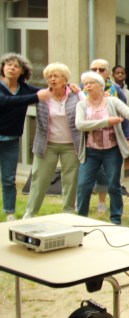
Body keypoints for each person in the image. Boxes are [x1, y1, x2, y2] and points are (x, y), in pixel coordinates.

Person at [75, 71, 129, 225]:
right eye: (85, 83)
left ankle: (116, 220)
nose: (88, 86)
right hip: (90, 151)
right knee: (83, 185)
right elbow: (80, 125)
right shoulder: (81, 104)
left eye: (91, 83)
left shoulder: (112, 101)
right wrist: (107, 122)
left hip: (112, 151)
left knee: (113, 185)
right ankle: (81, 219)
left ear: (101, 86)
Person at [24, 63, 83, 218]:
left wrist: (80, 91)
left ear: (65, 79)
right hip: (46, 144)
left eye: (56, 76)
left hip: (71, 145)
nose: (52, 79)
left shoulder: (75, 95)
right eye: (49, 76)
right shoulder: (42, 95)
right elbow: (22, 94)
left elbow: (88, 106)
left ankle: (69, 212)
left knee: (70, 179)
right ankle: (30, 213)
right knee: (39, 178)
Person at [0, 53, 50, 221]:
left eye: (16, 66)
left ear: (22, 71)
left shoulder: (25, 88)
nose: (12, 68)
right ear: (3, 68)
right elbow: (5, 101)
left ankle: (10, 213)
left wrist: (70, 87)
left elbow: (48, 92)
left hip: (11, 141)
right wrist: (36, 97)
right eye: (8, 64)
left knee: (9, 179)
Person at [88, 58, 129, 214]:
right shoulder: (81, 88)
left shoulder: (116, 91)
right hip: (87, 140)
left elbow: (125, 114)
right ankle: (81, 204)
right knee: (85, 175)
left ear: (108, 73)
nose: (97, 72)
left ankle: (102, 202)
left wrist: (126, 136)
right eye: (94, 69)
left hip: (110, 139)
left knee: (106, 173)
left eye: (101, 70)